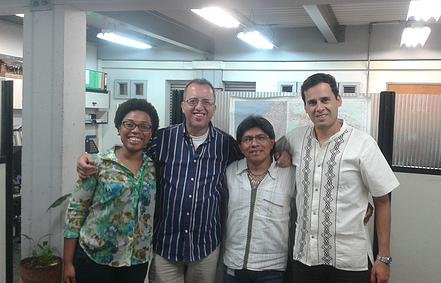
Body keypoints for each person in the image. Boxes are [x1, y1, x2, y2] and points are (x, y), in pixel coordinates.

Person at [77, 79, 243, 283]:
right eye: (192, 101)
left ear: (214, 109)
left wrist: (282, 153)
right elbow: (129, 154)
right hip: (166, 245)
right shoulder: (162, 139)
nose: (199, 107)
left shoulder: (226, 144)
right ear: (182, 106)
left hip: (205, 246)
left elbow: (254, 159)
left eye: (206, 102)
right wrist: (91, 159)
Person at [277, 73, 399, 283]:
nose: (319, 107)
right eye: (312, 102)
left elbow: (382, 200)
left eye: (325, 100)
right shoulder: (295, 138)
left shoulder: (363, 144)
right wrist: (280, 152)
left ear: (338, 100)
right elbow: (271, 146)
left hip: (348, 262)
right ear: (305, 107)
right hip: (305, 258)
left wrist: (383, 258)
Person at [64, 98, 159, 283]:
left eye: (144, 126)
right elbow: (75, 212)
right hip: (95, 258)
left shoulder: (155, 167)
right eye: (129, 124)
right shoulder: (97, 164)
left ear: (151, 133)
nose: (136, 131)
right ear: (118, 128)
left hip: (136, 259)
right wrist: (68, 262)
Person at [223, 115, 295, 283]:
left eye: (261, 138)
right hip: (234, 264)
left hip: (273, 268)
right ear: (240, 146)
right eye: (247, 139)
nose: (254, 144)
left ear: (272, 143)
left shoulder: (290, 175)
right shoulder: (230, 172)